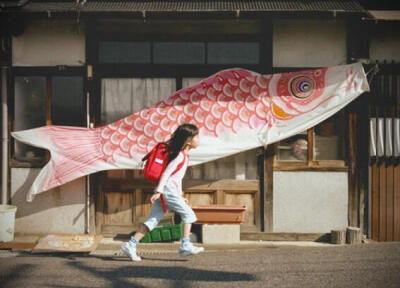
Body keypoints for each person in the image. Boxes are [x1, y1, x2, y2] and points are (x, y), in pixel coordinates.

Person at [121, 123, 204, 261]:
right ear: (189, 141)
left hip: (169, 192)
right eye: (197, 137)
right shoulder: (180, 156)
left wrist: (180, 196)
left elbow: (176, 178)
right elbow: (166, 175)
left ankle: (130, 244)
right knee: (189, 215)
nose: (199, 140)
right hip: (167, 191)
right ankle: (185, 245)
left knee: (152, 220)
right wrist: (159, 191)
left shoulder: (183, 156)